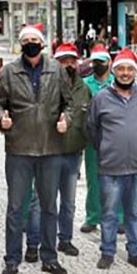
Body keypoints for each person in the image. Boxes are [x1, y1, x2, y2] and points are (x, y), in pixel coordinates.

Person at [0, 23, 73, 274]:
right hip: (19, 148)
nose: (31, 43)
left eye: (35, 39)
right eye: (27, 40)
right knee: (16, 207)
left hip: (50, 148)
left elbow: (69, 104)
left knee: (49, 206)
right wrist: (1, 116)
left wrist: (65, 120)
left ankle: (49, 257)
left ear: (43, 43)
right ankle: (12, 259)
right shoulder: (9, 72)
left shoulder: (56, 70)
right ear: (21, 44)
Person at [85, 47, 137, 270]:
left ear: (135, 72)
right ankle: (107, 251)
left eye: (129, 69)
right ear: (115, 71)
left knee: (134, 212)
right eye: (121, 69)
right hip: (110, 167)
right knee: (110, 212)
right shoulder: (101, 98)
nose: (125, 73)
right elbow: (92, 129)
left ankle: (135, 251)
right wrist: (106, 149)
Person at [80, 43, 122, 235]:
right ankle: (93, 216)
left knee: (117, 179)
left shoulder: (118, 82)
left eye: (102, 62)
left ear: (109, 62)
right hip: (93, 141)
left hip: (115, 140)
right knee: (93, 180)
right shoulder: (85, 84)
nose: (98, 65)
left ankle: (119, 217)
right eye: (95, 62)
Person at [50, 43, 85, 257]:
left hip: (73, 153)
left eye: (72, 60)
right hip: (50, 152)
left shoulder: (84, 89)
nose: (68, 64)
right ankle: (39, 241)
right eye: (63, 61)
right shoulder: (46, 86)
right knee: (44, 200)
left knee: (69, 202)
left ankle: (65, 239)